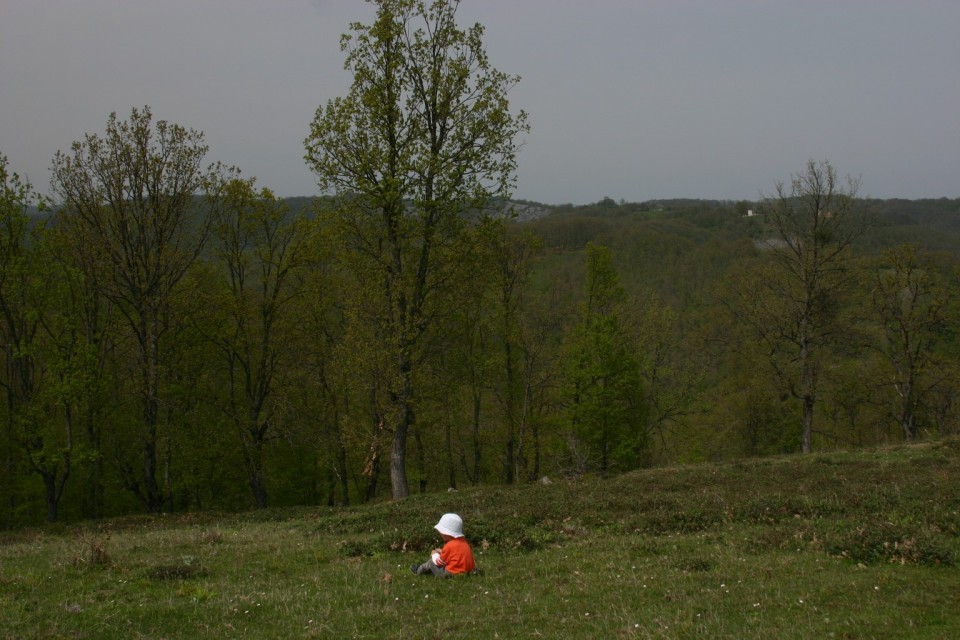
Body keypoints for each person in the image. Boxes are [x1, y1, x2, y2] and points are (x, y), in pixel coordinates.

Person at [410, 513, 476, 577]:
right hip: (465, 572)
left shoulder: (449, 545)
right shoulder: (464, 542)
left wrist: (434, 554)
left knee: (431, 562)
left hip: (450, 574)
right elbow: (455, 554)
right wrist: (442, 551)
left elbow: (439, 563)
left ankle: (419, 570)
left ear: (446, 533)